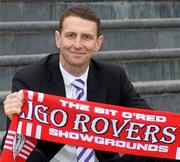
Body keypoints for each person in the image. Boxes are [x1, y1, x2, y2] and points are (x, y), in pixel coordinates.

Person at [2, 6, 178, 162]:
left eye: (86, 37)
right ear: (58, 39)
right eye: (71, 36)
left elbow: (152, 125)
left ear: (97, 43)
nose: (77, 45)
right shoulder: (29, 78)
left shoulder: (113, 76)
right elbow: (13, 149)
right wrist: (15, 117)